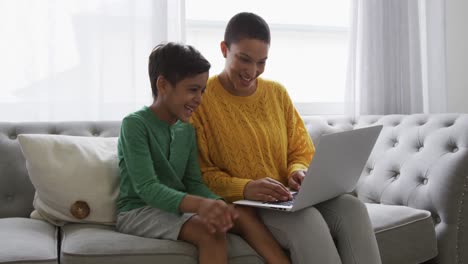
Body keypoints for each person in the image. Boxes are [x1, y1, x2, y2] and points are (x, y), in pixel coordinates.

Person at [191, 13, 382, 264]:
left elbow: (299, 150)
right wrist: (246, 187)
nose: (252, 71)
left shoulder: (277, 93)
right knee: (307, 221)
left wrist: (298, 171)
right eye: (244, 59)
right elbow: (200, 174)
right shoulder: (200, 102)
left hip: (290, 196)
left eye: (261, 62)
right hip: (251, 206)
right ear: (224, 49)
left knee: (352, 208)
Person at [116, 42, 290, 264]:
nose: (199, 98)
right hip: (139, 210)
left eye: (202, 90)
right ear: (163, 85)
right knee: (210, 231)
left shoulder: (186, 130)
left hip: (177, 209)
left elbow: (193, 182)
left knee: (243, 215)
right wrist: (200, 206)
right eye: (192, 90)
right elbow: (147, 188)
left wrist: (218, 203)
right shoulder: (135, 125)